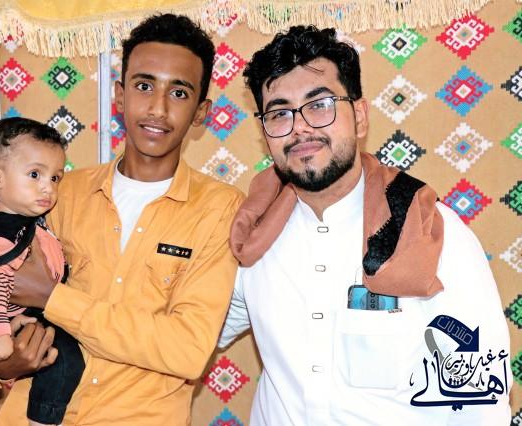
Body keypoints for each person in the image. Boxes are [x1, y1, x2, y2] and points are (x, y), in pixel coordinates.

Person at [219, 26, 511, 425]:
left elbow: (480, 403)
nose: (300, 127)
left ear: (359, 117)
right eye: (280, 113)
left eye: (319, 104)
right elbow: (200, 332)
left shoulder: (431, 231)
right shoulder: (253, 237)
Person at [0, 14, 244, 425]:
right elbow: (1, 299)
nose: (158, 109)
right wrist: (2, 364)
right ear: (120, 95)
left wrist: (54, 299)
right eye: (144, 86)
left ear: (201, 112)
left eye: (179, 92)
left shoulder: (220, 209)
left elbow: (187, 351)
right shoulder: (58, 194)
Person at [0, 117, 84, 426]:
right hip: (28, 317)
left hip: (40, 312)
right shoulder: (0, 232)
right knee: (66, 360)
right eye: (35, 174)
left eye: (55, 178)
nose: (48, 187)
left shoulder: (26, 222)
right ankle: (42, 420)